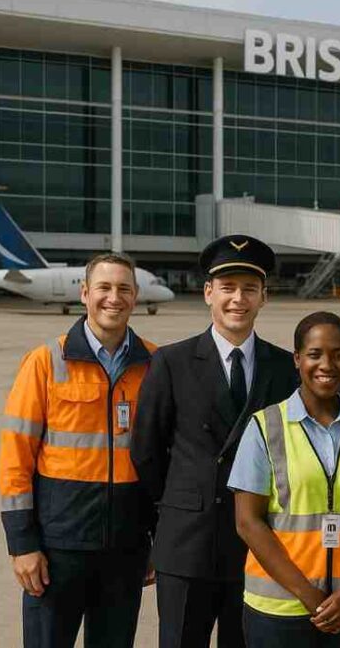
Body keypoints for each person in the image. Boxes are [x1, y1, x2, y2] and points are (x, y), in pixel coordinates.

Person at [132, 235, 299, 648]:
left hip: (258, 545)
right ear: (208, 293)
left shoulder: (284, 368)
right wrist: (177, 508)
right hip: (188, 542)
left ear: (264, 297)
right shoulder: (172, 362)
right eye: (227, 288)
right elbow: (147, 451)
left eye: (249, 289)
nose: (238, 299)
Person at [0, 253, 157, 647]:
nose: (113, 298)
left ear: (135, 296)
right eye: (104, 287)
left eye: (124, 289)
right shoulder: (45, 362)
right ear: (85, 293)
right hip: (57, 550)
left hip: (126, 550)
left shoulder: (155, 364)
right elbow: (15, 458)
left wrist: (159, 540)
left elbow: (164, 460)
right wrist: (22, 545)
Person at [229, 311, 340, 647]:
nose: (327, 365)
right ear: (297, 359)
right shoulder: (265, 426)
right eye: (314, 354)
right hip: (282, 609)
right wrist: (309, 596)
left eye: (338, 355)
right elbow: (248, 523)